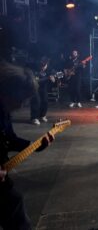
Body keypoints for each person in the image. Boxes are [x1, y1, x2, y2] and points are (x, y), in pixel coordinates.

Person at [0, 61, 53, 230]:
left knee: (15, 209)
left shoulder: (4, 111)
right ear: (8, 92)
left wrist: (35, 145)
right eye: (21, 100)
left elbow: (10, 139)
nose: (21, 105)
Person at [30, 56, 56, 125]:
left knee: (45, 101)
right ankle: (34, 118)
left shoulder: (50, 70)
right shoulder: (36, 67)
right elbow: (34, 79)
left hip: (43, 88)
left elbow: (54, 80)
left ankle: (42, 115)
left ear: (47, 64)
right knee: (36, 101)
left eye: (44, 65)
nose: (42, 67)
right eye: (41, 65)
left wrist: (53, 79)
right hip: (35, 88)